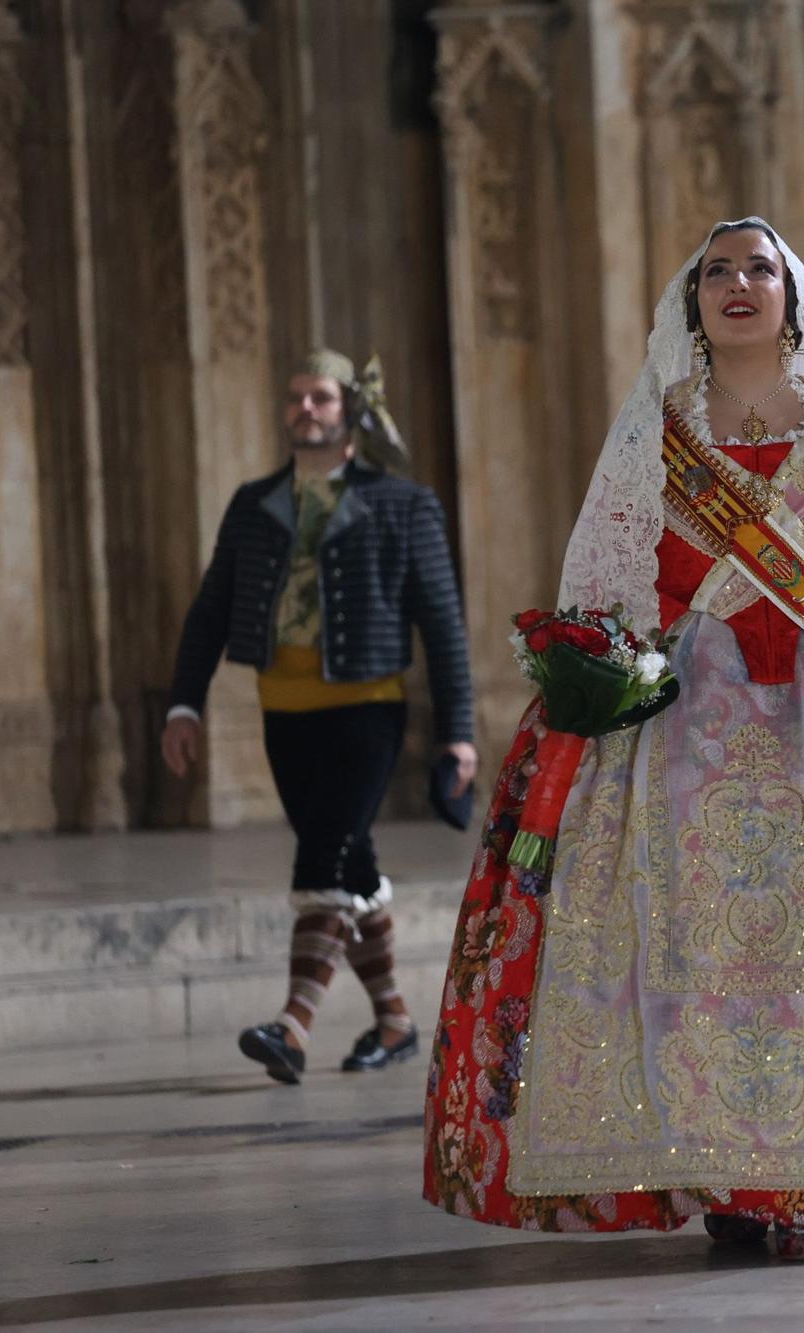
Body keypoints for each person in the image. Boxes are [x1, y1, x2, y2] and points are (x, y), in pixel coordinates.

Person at [422, 220, 804, 1259]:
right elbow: (603, 587)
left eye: (758, 268)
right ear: (692, 303)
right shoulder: (655, 435)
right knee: (703, 965)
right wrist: (583, 702)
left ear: (791, 299)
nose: (737, 284)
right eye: (716, 271)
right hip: (688, 728)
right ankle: (733, 1181)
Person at [163, 348, 476, 1083]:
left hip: (366, 711)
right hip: (284, 711)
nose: (306, 408)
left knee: (322, 857)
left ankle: (292, 1025)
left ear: (351, 415)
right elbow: (211, 609)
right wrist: (185, 701)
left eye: (322, 398)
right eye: (297, 397)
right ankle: (397, 1021)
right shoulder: (254, 502)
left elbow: (442, 621)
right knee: (350, 861)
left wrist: (459, 731)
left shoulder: (403, 503)